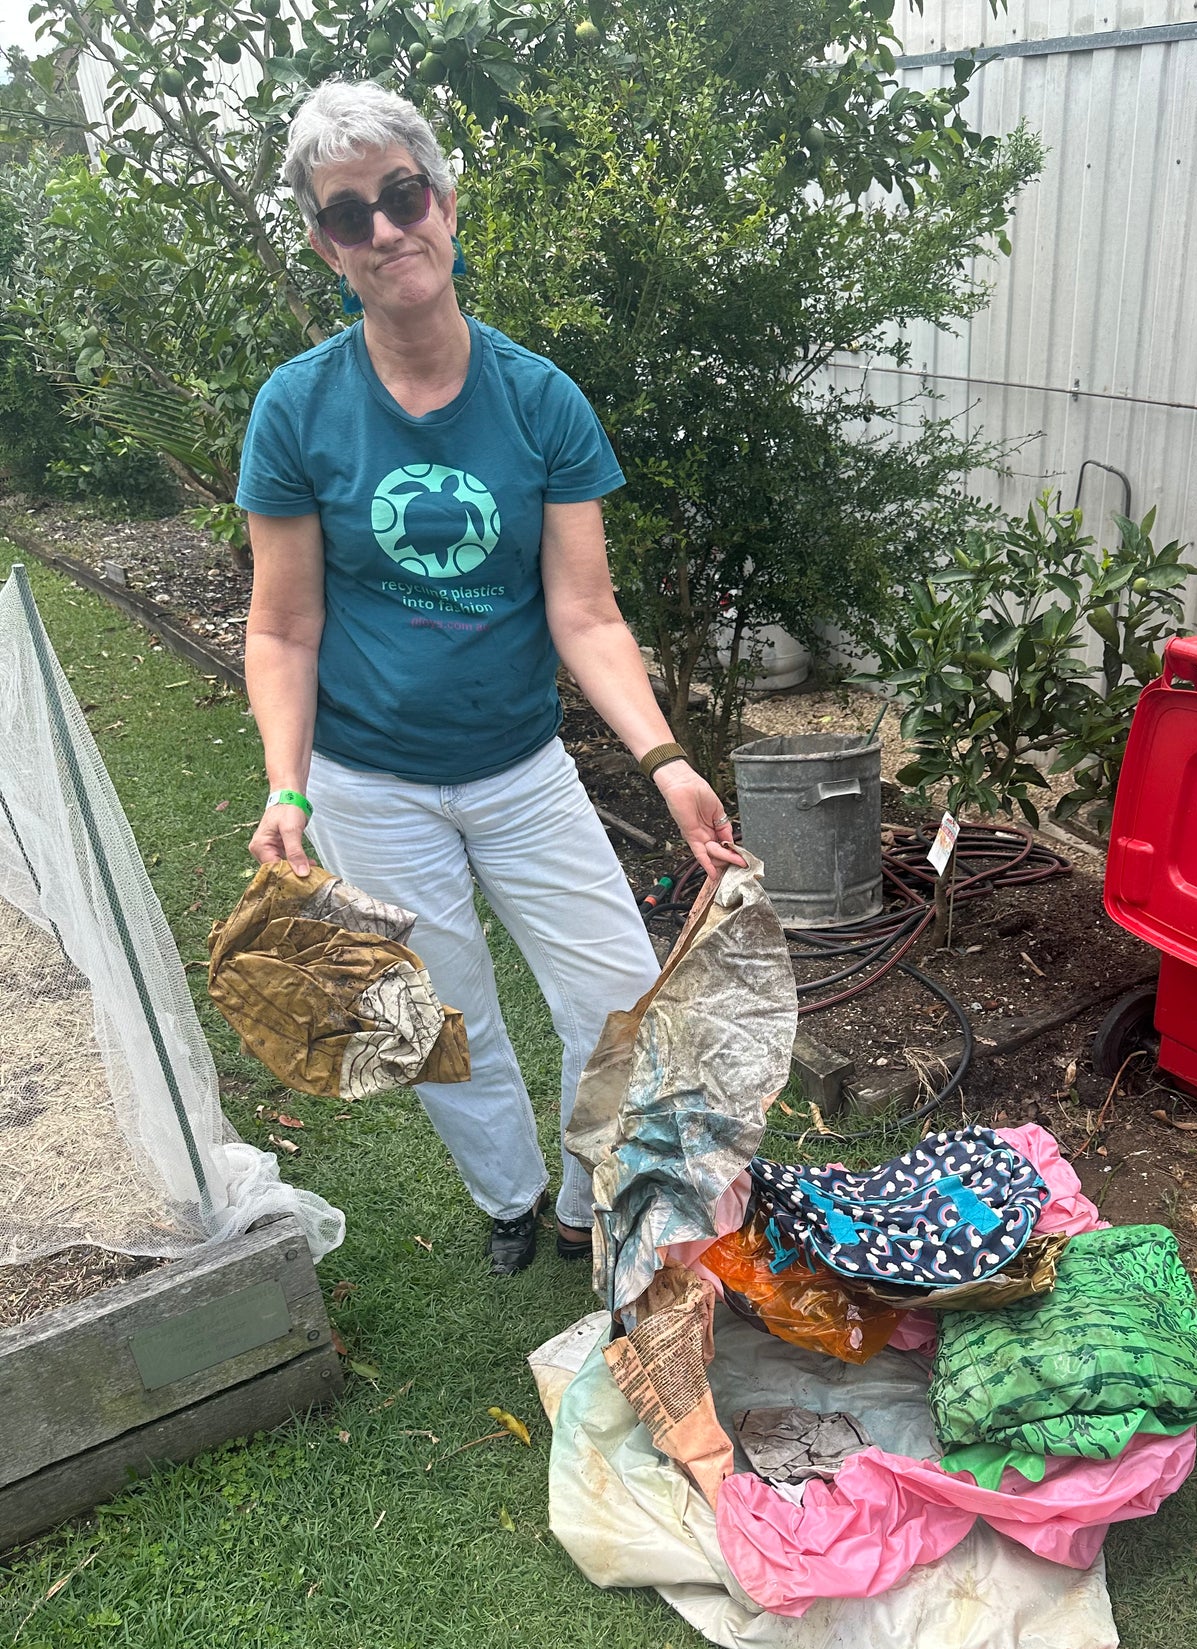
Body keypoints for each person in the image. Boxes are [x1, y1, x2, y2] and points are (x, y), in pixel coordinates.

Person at [238, 78, 739, 1276]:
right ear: (326, 243)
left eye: (402, 196)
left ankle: (583, 1194)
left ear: (445, 206)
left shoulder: (539, 400)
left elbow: (585, 609)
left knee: (618, 996)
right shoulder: (298, 410)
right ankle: (509, 1195)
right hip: (370, 784)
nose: (385, 229)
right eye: (349, 213)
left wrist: (666, 763)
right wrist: (286, 787)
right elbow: (284, 629)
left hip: (522, 769)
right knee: (445, 1017)